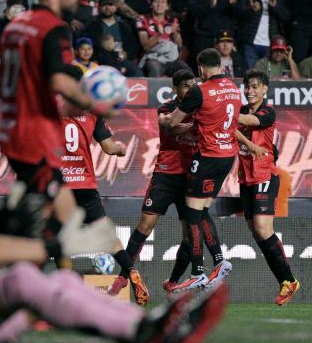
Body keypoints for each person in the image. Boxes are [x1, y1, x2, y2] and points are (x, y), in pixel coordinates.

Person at [0, 96, 228, 343]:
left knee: (57, 280)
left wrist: (55, 249)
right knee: (22, 281)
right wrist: (2, 221)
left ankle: (160, 326)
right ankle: (141, 330)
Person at [0, 0, 126, 271]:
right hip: (35, 136)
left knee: (56, 214)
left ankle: (52, 287)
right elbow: (59, 81)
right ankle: (25, 290)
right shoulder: (53, 28)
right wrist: (97, 104)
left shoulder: (15, 26)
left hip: (12, 130)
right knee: (46, 223)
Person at [111, 69, 221, 297]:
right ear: (176, 89)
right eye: (185, 86)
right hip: (165, 175)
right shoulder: (168, 108)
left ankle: (172, 282)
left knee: (190, 235)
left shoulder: (201, 109)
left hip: (191, 178)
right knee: (145, 225)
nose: (190, 89)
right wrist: (196, 126)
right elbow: (169, 125)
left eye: (193, 85)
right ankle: (123, 277)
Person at [159, 49, 240, 292]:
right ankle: (219, 260)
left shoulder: (199, 90)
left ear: (202, 68)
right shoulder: (234, 88)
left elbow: (172, 123)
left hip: (207, 157)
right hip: (228, 157)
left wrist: (164, 121)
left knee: (192, 215)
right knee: (202, 211)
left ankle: (197, 273)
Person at [59, 110, 150, 305]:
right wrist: (121, 150)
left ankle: (65, 293)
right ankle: (131, 271)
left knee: (64, 240)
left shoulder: (51, 109)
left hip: (62, 188)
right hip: (85, 186)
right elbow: (109, 148)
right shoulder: (91, 113)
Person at [236, 70, 300, 306]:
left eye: (255, 86)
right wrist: (249, 143)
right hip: (245, 178)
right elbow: (229, 128)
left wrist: (222, 111)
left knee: (263, 229)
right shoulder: (239, 111)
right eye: (247, 86)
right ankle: (285, 281)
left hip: (265, 174)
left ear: (265, 89)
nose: (250, 91)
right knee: (257, 233)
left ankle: (290, 280)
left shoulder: (267, 111)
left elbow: (246, 122)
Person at [234, 0, 290, 69]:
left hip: (270, 43)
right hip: (250, 43)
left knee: (268, 75)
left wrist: (275, 7)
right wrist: (251, 10)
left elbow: (286, 17)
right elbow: (238, 15)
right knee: (251, 74)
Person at [136, 0, 191, 77]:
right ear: (151, 4)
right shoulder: (143, 19)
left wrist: (175, 33)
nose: (159, 4)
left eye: (163, 2)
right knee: (154, 68)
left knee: (185, 69)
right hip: (152, 58)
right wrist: (159, 35)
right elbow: (145, 46)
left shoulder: (172, 21)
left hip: (170, 59)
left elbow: (179, 44)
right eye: (156, 1)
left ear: (167, 6)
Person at [82, 0, 141, 66]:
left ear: (115, 8)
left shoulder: (124, 25)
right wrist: (94, 59)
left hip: (121, 59)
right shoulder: (92, 25)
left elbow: (133, 46)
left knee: (136, 73)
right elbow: (86, 43)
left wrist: (126, 54)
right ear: (99, 8)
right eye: (104, 5)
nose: (107, 8)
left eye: (110, 5)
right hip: (100, 60)